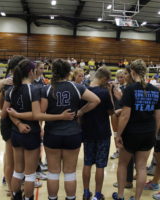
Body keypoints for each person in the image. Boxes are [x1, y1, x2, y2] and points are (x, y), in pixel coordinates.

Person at [32, 59, 100, 200]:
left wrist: (54, 119)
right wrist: (80, 111)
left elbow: (41, 114)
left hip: (52, 134)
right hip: (73, 134)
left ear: (54, 71)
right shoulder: (77, 87)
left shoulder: (47, 89)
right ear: (69, 71)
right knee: (69, 172)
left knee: (53, 172)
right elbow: (96, 100)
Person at [112, 59, 160, 200]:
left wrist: (118, 135)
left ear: (132, 72)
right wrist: (155, 134)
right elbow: (158, 117)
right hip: (148, 133)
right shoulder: (155, 90)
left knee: (122, 164)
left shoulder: (131, 89)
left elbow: (125, 116)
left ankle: (121, 195)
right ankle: (137, 198)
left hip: (131, 133)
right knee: (141, 167)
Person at [0, 59, 41, 200]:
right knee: (29, 174)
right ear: (31, 72)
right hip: (31, 132)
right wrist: (19, 115)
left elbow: (5, 112)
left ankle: (16, 197)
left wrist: (17, 121)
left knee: (18, 171)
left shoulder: (11, 90)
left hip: (16, 133)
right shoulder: (34, 90)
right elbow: (36, 114)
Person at [0, 55, 26, 197]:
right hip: (10, 122)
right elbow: (2, 107)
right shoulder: (11, 82)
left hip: (12, 121)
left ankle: (13, 185)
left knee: (11, 156)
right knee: (11, 160)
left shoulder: (15, 81)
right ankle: (12, 188)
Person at [81, 67, 114, 200]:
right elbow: (111, 112)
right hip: (102, 133)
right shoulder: (104, 93)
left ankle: (86, 192)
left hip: (87, 132)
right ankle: (97, 195)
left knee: (87, 163)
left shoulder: (83, 90)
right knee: (100, 165)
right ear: (105, 79)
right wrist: (110, 93)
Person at [110, 69, 126, 160]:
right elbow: (112, 101)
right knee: (115, 133)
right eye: (118, 77)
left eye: (122, 77)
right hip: (115, 112)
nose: (120, 79)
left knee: (123, 133)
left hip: (123, 112)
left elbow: (126, 102)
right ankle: (117, 151)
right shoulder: (114, 87)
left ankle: (124, 151)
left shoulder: (127, 87)